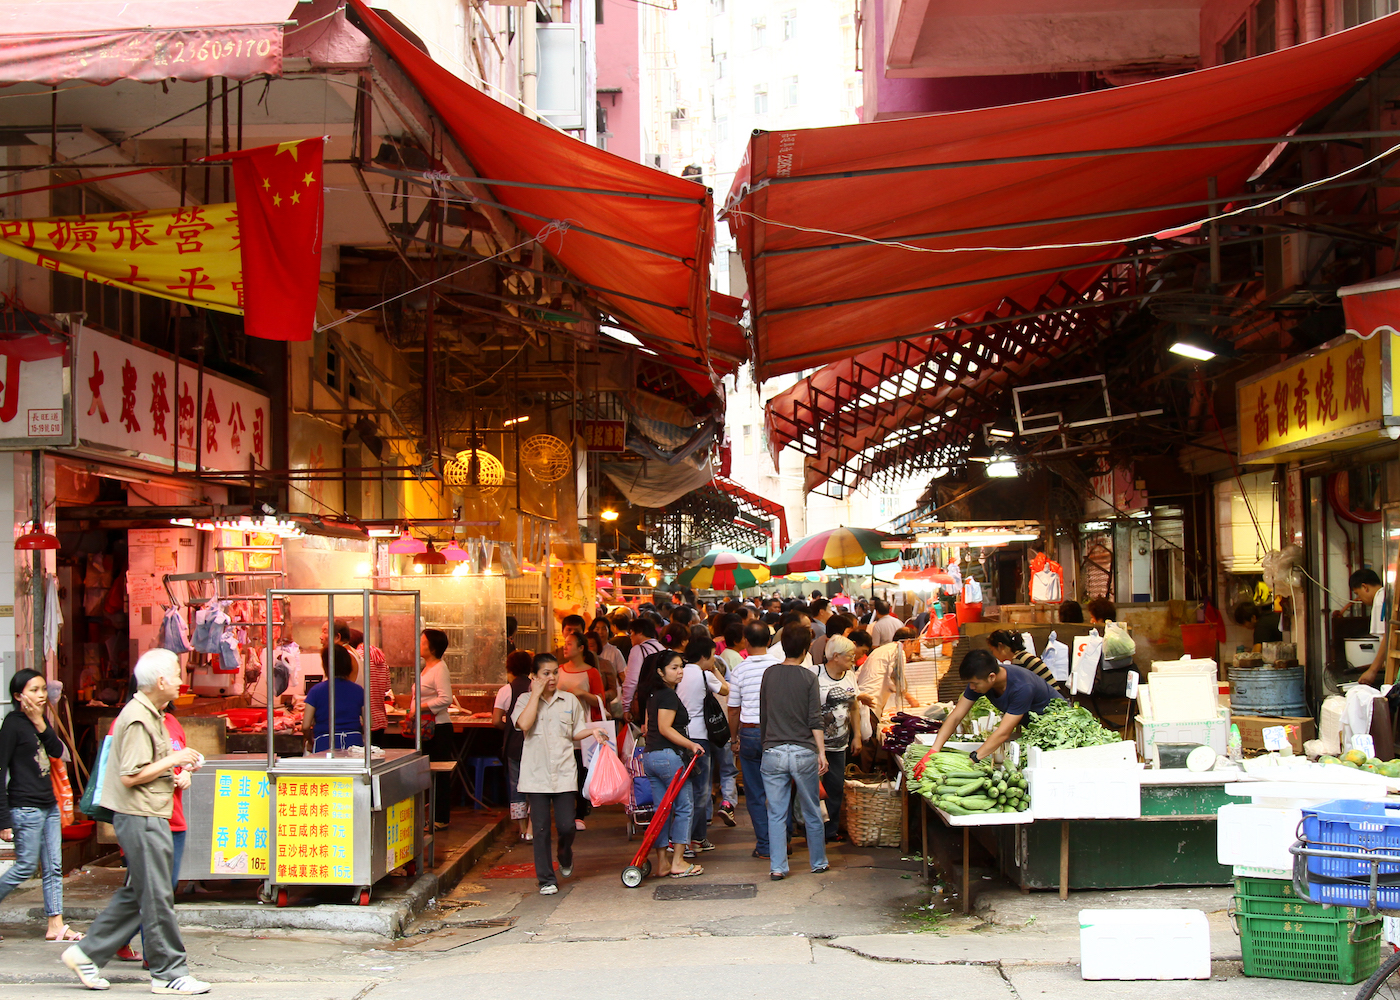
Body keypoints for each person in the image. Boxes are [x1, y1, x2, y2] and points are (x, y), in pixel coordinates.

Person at [63, 649, 207, 995]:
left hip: (150, 813)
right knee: (157, 896)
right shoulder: (138, 717)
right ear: (160, 681)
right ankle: (168, 972)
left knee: (138, 895)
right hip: (141, 815)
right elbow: (131, 775)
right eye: (175, 674)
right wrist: (174, 759)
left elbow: (148, 769)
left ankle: (85, 954)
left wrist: (177, 769)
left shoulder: (152, 713)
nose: (180, 681)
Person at [512, 654, 610, 894]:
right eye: (546, 673)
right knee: (541, 828)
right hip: (537, 775)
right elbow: (523, 725)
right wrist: (535, 694)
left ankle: (564, 854)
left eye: (555, 672)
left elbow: (575, 731)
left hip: (565, 773)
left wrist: (592, 731)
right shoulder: (524, 700)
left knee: (567, 825)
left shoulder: (569, 701)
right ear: (534, 677)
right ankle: (546, 879)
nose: (552, 677)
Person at [0, 669, 82, 942]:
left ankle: (56, 925)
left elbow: (59, 753)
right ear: (18, 695)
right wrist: (3, 820)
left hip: (48, 805)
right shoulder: (11, 724)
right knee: (24, 867)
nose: (40, 695)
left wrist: (40, 722)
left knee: (53, 868)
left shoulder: (41, 722)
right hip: (25, 808)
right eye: (33, 690)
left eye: (42, 690)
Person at [759, 624, 828, 880]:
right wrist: (821, 752)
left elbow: (763, 715)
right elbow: (815, 719)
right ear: (806, 648)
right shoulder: (809, 677)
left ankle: (778, 867)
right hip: (803, 752)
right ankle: (818, 861)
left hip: (773, 751)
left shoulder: (769, 674)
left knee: (776, 812)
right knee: (811, 809)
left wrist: (765, 744)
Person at [928, 649, 1065, 762]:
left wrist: (973, 759)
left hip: (1058, 728)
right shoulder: (980, 681)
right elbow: (956, 716)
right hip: (1035, 729)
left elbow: (1003, 733)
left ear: (991, 677)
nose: (971, 687)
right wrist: (934, 750)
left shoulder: (1021, 687)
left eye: (974, 683)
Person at [640, 650, 706, 878]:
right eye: (674, 668)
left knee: (661, 811)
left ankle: (663, 863)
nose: (680, 672)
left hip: (650, 757)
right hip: (668, 757)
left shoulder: (652, 694)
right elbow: (665, 728)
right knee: (685, 807)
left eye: (681, 667)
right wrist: (691, 745)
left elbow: (649, 727)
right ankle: (678, 861)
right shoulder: (667, 695)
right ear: (660, 672)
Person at [727, 621, 783, 859]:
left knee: (756, 792)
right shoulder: (780, 667)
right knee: (780, 790)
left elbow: (733, 709)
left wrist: (733, 738)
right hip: (778, 733)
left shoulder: (739, 670)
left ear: (746, 642)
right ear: (769, 641)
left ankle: (765, 845)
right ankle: (783, 841)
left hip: (750, 733)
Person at [677, 633, 728, 858]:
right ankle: (693, 839)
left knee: (682, 788)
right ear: (705, 656)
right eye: (713, 656)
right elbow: (726, 689)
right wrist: (714, 670)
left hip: (678, 736)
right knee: (701, 791)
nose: (714, 659)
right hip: (699, 738)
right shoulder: (703, 675)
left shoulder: (677, 671)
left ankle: (679, 839)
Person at [557, 631, 605, 830]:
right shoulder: (558, 670)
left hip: (583, 728)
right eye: (564, 644)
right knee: (564, 770)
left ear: (581, 648)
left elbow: (600, 700)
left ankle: (579, 814)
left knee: (581, 771)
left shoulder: (591, 672)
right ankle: (566, 812)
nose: (565, 647)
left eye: (569, 644)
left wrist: (582, 694)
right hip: (560, 728)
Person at [817, 635, 861, 844]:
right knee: (813, 790)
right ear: (835, 656)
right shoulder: (815, 675)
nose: (854, 658)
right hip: (816, 746)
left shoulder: (850, 676)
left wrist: (857, 736)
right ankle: (813, 828)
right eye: (849, 655)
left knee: (835, 787)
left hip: (839, 744)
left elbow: (855, 707)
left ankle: (830, 830)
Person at [493, 650, 536, 843]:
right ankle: (532, 827)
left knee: (516, 786)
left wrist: (509, 729)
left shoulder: (505, 690)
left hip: (514, 746)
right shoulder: (534, 688)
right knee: (536, 786)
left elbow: (496, 721)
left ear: (508, 668)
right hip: (534, 744)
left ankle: (521, 827)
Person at [420, 628, 455, 829]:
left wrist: (421, 708)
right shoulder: (426, 668)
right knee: (428, 773)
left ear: (432, 647)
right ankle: (432, 815)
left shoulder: (440, 668)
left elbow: (446, 698)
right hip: (425, 728)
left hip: (438, 727)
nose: (419, 645)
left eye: (423, 642)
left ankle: (440, 818)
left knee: (439, 773)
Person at [302, 646, 365, 753]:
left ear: (325, 665)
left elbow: (306, 725)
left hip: (324, 744)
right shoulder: (359, 691)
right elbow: (369, 723)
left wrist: (309, 740)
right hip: (354, 744)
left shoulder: (316, 691)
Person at [987, 629, 1067, 695]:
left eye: (992, 650)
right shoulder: (1022, 656)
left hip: (1053, 699)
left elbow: (1019, 688)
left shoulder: (1019, 660)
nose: (993, 654)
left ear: (1001, 646)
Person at [349, 628, 390, 744]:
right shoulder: (381, 658)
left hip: (362, 720)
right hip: (380, 719)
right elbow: (387, 687)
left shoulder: (356, 657)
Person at [622, 619, 664, 723]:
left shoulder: (638, 650)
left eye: (631, 633)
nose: (630, 637)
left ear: (640, 632)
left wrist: (626, 707)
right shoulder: (661, 648)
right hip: (662, 697)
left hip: (645, 700)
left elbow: (632, 680)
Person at [1354, 569, 1388, 685]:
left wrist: (1373, 670)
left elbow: (1388, 638)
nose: (1359, 599)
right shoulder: (1387, 594)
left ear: (1365, 587)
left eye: (1358, 593)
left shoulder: (1380, 600)